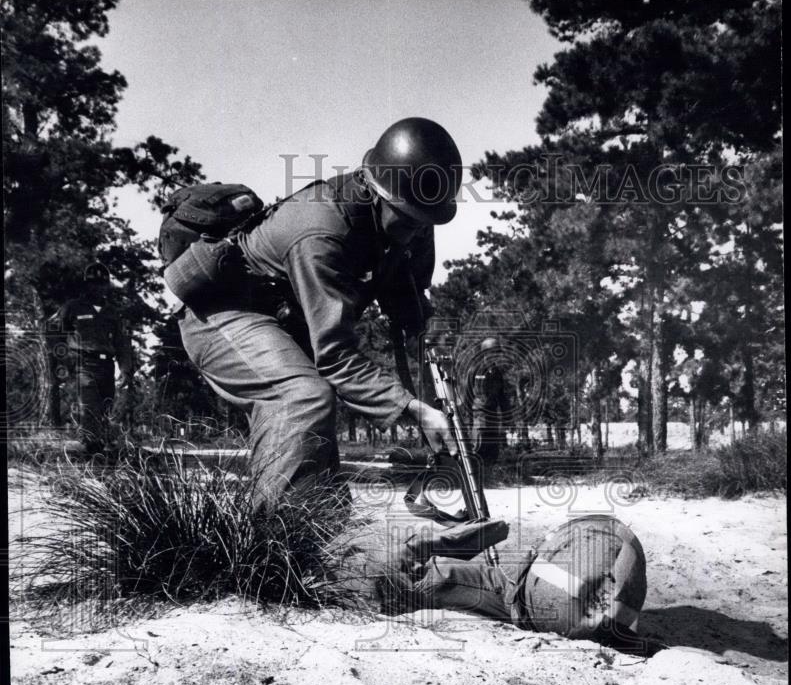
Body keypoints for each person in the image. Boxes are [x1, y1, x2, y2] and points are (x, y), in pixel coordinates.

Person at [171, 117, 463, 509]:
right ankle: (264, 555)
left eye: (426, 223)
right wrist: (412, 410)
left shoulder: (406, 216)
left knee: (320, 492)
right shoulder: (322, 232)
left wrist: (440, 397)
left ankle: (317, 542)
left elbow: (409, 307)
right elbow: (336, 356)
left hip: (285, 324)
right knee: (302, 398)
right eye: (410, 221)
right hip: (223, 317)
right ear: (379, 193)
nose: (418, 232)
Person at [336, 514, 655, 653]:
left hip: (536, 584)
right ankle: (430, 550)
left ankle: (427, 551)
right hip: (565, 564)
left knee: (406, 577)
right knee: (411, 576)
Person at [48, 261, 135, 456]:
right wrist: (60, 360)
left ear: (107, 285)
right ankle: (89, 449)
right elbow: (54, 332)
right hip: (83, 364)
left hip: (106, 366)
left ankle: (102, 452)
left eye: (102, 283)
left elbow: (122, 343)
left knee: (105, 408)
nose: (98, 287)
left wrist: (125, 370)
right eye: (93, 283)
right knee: (88, 407)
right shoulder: (72, 307)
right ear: (86, 285)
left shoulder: (112, 312)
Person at [469, 336, 511, 464]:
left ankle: (489, 478)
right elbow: (466, 395)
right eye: (494, 353)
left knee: (493, 451)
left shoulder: (497, 372)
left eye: (497, 353)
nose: (496, 356)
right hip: (479, 417)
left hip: (493, 416)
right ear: (485, 353)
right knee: (479, 448)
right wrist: (466, 420)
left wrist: (507, 417)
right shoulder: (474, 370)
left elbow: (501, 396)